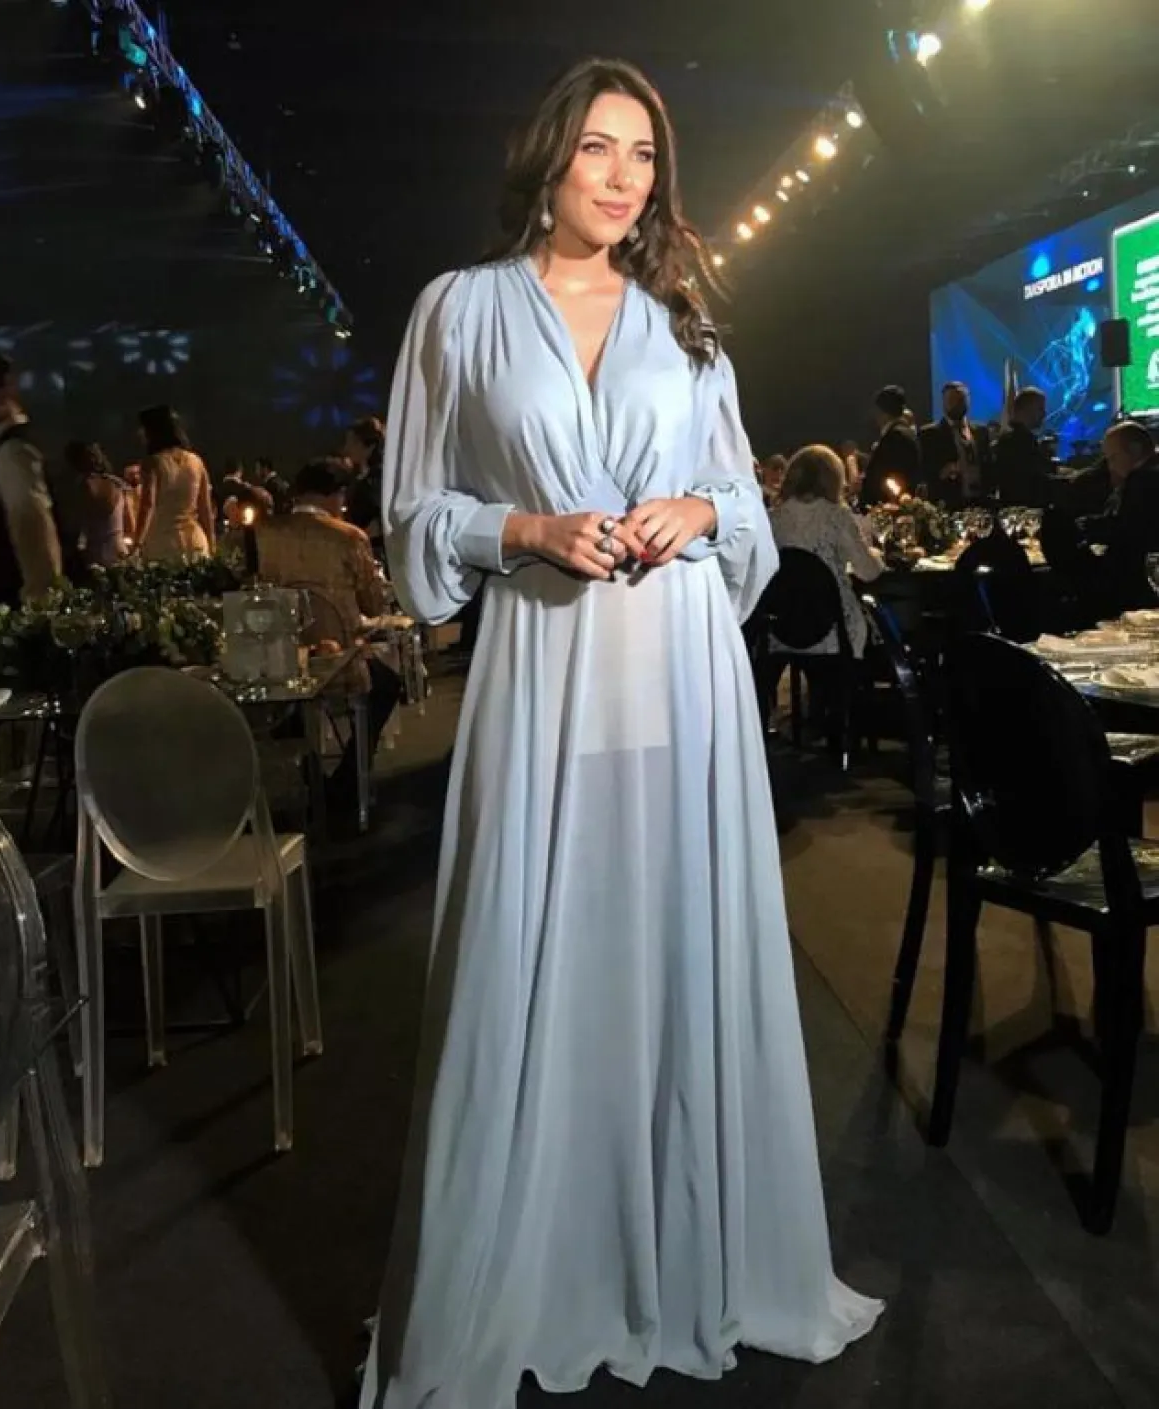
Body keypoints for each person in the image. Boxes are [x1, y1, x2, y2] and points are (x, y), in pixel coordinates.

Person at [358, 56, 882, 1409]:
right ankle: (538, 1269)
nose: (623, 176)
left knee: (674, 951)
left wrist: (700, 511)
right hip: (546, 679)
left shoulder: (683, 326)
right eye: (600, 146)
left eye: (644, 155)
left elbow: (744, 508)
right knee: (538, 953)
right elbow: (414, 524)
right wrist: (526, 526)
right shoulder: (460, 312)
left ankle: (695, 1253)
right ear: (549, 157)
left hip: (687, 684)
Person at [255, 458, 401, 781]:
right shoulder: (349, 537)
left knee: (292, 705)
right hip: (340, 659)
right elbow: (373, 604)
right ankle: (349, 779)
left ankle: (307, 775)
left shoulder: (263, 532)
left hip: (281, 659)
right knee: (387, 685)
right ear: (334, 495)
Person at [0, 350, 66, 604]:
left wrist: (41, 608)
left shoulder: (12, 452)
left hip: (22, 611)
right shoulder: (26, 443)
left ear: (2, 393)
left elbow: (32, 530)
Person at [770, 444, 885, 657]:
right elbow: (868, 572)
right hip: (833, 630)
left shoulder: (772, 519)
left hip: (783, 628)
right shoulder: (836, 517)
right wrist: (877, 556)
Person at [1082, 420, 1159, 611]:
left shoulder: (1142, 479)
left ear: (1134, 450)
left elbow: (1128, 530)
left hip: (1139, 584)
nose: (1110, 467)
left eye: (1113, 458)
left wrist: (1086, 526)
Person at [134, 405, 216, 561]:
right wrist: (211, 543)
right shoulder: (196, 461)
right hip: (195, 541)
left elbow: (148, 505)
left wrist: (137, 544)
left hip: (162, 543)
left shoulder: (153, 463)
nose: (140, 433)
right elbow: (205, 508)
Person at [918, 380, 993, 507]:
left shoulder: (981, 431)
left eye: (961, 399)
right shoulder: (929, 434)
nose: (957, 403)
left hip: (980, 502)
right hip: (948, 503)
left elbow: (988, 465)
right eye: (952, 400)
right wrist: (943, 472)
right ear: (943, 402)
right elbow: (923, 471)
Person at [64, 441, 129, 568]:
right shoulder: (117, 483)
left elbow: (78, 522)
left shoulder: (84, 486)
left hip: (97, 553)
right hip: (119, 548)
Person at [859, 384, 920, 506]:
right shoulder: (908, 434)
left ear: (880, 411)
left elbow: (887, 477)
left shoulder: (894, 437)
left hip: (889, 508)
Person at [993, 387, 1052, 507]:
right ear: (1026, 409)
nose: (1044, 413)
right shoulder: (1017, 442)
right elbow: (1032, 482)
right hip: (1022, 511)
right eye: (1040, 408)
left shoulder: (1016, 439)